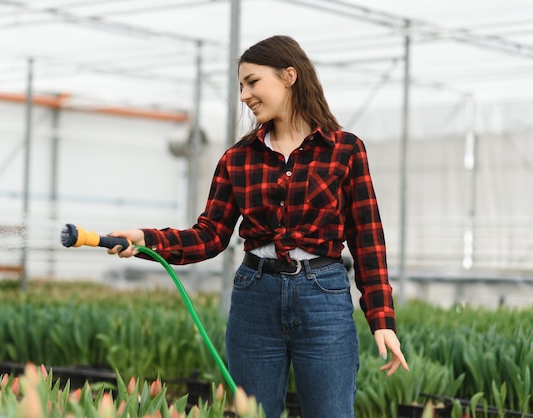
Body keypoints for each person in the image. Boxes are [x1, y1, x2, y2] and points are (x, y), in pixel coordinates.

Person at [108, 35, 408, 418]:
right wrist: (147, 240)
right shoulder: (237, 158)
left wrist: (382, 319)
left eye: (252, 82)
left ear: (288, 76)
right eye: (240, 86)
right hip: (255, 297)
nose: (245, 95)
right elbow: (209, 236)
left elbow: (367, 238)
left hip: (323, 297)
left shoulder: (345, 150)